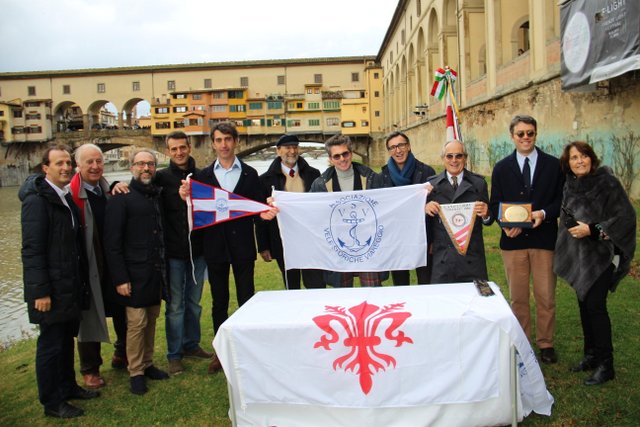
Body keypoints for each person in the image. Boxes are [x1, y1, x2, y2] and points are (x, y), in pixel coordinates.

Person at [178, 122, 277, 374]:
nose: (224, 145)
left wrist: (264, 220)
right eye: (219, 140)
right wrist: (185, 198)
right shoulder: (201, 177)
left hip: (242, 245)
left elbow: (256, 209)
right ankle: (220, 354)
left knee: (247, 298)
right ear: (213, 144)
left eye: (228, 139)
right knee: (219, 301)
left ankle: (246, 349)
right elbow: (195, 210)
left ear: (236, 142)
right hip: (215, 247)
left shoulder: (250, 174)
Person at [20, 144, 99, 419]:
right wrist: (40, 291)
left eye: (68, 163)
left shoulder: (64, 197)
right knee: (51, 346)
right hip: (50, 290)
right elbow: (32, 249)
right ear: (45, 168)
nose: (66, 168)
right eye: (59, 164)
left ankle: (68, 386)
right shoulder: (37, 201)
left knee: (65, 341)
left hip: (68, 286)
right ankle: (52, 401)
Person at [554, 141, 636, 385]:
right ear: (567, 163)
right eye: (574, 158)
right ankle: (591, 355)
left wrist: (592, 229)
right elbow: (567, 215)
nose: (580, 161)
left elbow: (625, 218)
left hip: (603, 255)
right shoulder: (570, 184)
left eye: (584, 156)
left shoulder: (607, 182)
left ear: (592, 158)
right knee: (583, 303)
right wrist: (570, 227)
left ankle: (606, 364)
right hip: (580, 255)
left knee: (595, 306)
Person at [489, 114, 564, 364]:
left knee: (546, 295)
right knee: (518, 297)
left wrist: (544, 213)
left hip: (544, 239)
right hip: (513, 242)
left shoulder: (553, 166)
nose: (525, 138)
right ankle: (522, 341)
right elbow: (495, 203)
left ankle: (546, 343)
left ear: (536, 134)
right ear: (512, 136)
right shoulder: (501, 168)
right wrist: (505, 225)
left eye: (530, 133)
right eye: (520, 134)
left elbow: (560, 201)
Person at [104, 149, 170, 395]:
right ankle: (136, 372)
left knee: (151, 319)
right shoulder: (121, 198)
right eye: (141, 164)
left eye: (150, 164)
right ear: (132, 167)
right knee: (136, 323)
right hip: (133, 273)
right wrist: (120, 278)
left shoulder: (156, 194)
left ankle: (148, 363)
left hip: (154, 271)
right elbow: (112, 243)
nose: (146, 168)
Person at [70, 143, 128, 389]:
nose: (95, 166)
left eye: (98, 161)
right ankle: (90, 369)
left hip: (112, 261)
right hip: (88, 264)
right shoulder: (70, 195)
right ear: (78, 166)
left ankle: (122, 353)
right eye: (89, 162)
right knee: (89, 317)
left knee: (123, 310)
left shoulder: (107, 189)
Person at [155, 131, 211, 376]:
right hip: (174, 253)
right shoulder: (160, 178)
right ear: (168, 151)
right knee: (175, 306)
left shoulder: (202, 177)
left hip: (198, 251)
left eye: (182, 147)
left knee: (194, 303)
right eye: (174, 149)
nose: (179, 152)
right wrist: (117, 185)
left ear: (189, 147)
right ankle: (174, 354)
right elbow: (142, 195)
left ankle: (191, 344)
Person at [310, 134, 383, 287]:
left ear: (351, 153)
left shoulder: (371, 177)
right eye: (336, 156)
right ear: (330, 159)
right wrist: (281, 203)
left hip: (368, 247)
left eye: (345, 154)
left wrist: (419, 193)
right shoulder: (320, 184)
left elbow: (390, 201)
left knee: (373, 291)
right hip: (338, 247)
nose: (342, 159)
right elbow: (309, 209)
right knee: (342, 294)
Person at [256, 134, 324, 289]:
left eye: (295, 147)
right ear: (278, 151)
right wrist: (263, 246)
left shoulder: (314, 174)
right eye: (287, 148)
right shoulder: (265, 180)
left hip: (311, 240)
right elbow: (260, 215)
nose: (292, 151)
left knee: (316, 285)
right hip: (282, 241)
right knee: (291, 286)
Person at [425, 140, 493, 283]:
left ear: (465, 158)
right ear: (443, 158)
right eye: (449, 156)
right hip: (442, 260)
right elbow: (422, 224)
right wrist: (425, 209)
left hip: (471, 260)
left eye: (459, 156)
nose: (454, 160)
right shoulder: (430, 185)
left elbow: (488, 220)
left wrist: (486, 214)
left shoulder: (479, 184)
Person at [380, 131, 435, 285]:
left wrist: (434, 241)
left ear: (409, 146)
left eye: (401, 145)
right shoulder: (383, 176)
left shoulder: (427, 172)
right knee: (400, 285)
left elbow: (435, 208)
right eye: (393, 147)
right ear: (389, 151)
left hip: (423, 236)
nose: (398, 150)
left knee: (426, 282)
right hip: (397, 239)